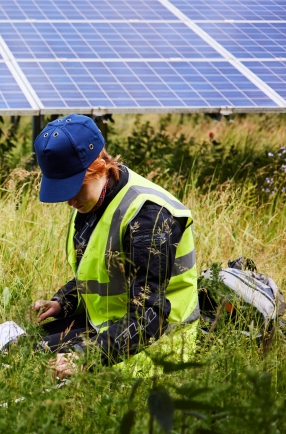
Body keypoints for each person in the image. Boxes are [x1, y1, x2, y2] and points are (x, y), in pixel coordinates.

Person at [32, 115, 199, 379]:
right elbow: (103, 270)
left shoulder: (148, 218)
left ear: (99, 166)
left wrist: (85, 357)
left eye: (74, 188)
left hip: (158, 341)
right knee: (23, 350)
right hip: (109, 325)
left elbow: (149, 319)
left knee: (48, 373)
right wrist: (63, 301)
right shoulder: (93, 199)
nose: (69, 201)